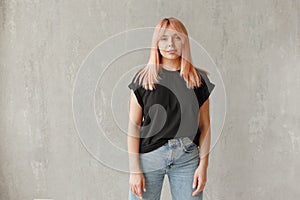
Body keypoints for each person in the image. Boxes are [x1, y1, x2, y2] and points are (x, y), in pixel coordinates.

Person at [127, 17, 215, 200]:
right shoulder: (143, 80)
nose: (170, 45)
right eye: (164, 38)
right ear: (156, 43)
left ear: (184, 42)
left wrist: (203, 166)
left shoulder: (198, 80)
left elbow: (205, 126)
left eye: (177, 38)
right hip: (150, 157)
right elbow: (134, 126)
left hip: (187, 158)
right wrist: (134, 170)